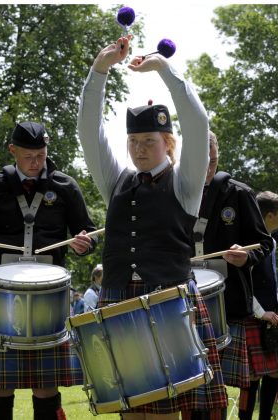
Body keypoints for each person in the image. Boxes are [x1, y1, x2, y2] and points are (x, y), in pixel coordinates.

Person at [78, 35, 227, 419]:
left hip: (167, 302)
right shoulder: (116, 182)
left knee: (162, 412)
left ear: (169, 143)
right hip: (118, 298)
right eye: (133, 141)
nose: (139, 148)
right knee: (129, 410)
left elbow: (198, 123)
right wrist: (99, 70)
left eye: (149, 140)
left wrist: (165, 69)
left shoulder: (186, 182)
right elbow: (87, 133)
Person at [0, 121, 97, 420]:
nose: (35, 162)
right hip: (2, 296)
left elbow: (89, 233)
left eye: (41, 155)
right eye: (28, 156)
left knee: (46, 387)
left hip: (49, 298)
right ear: (12, 150)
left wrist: (84, 243)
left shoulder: (65, 186)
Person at [191, 131, 274, 419]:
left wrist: (246, 257)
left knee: (217, 390)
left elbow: (264, 243)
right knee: (190, 390)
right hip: (185, 304)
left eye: (212, 161)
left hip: (229, 305)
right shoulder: (175, 192)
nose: (207, 168)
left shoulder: (239, 194)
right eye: (201, 162)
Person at [238, 191, 278, 420]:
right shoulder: (250, 243)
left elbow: (270, 278)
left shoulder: (271, 241)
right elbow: (242, 284)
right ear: (271, 215)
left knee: (274, 373)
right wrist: (261, 313)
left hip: (272, 316)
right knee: (251, 378)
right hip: (254, 316)